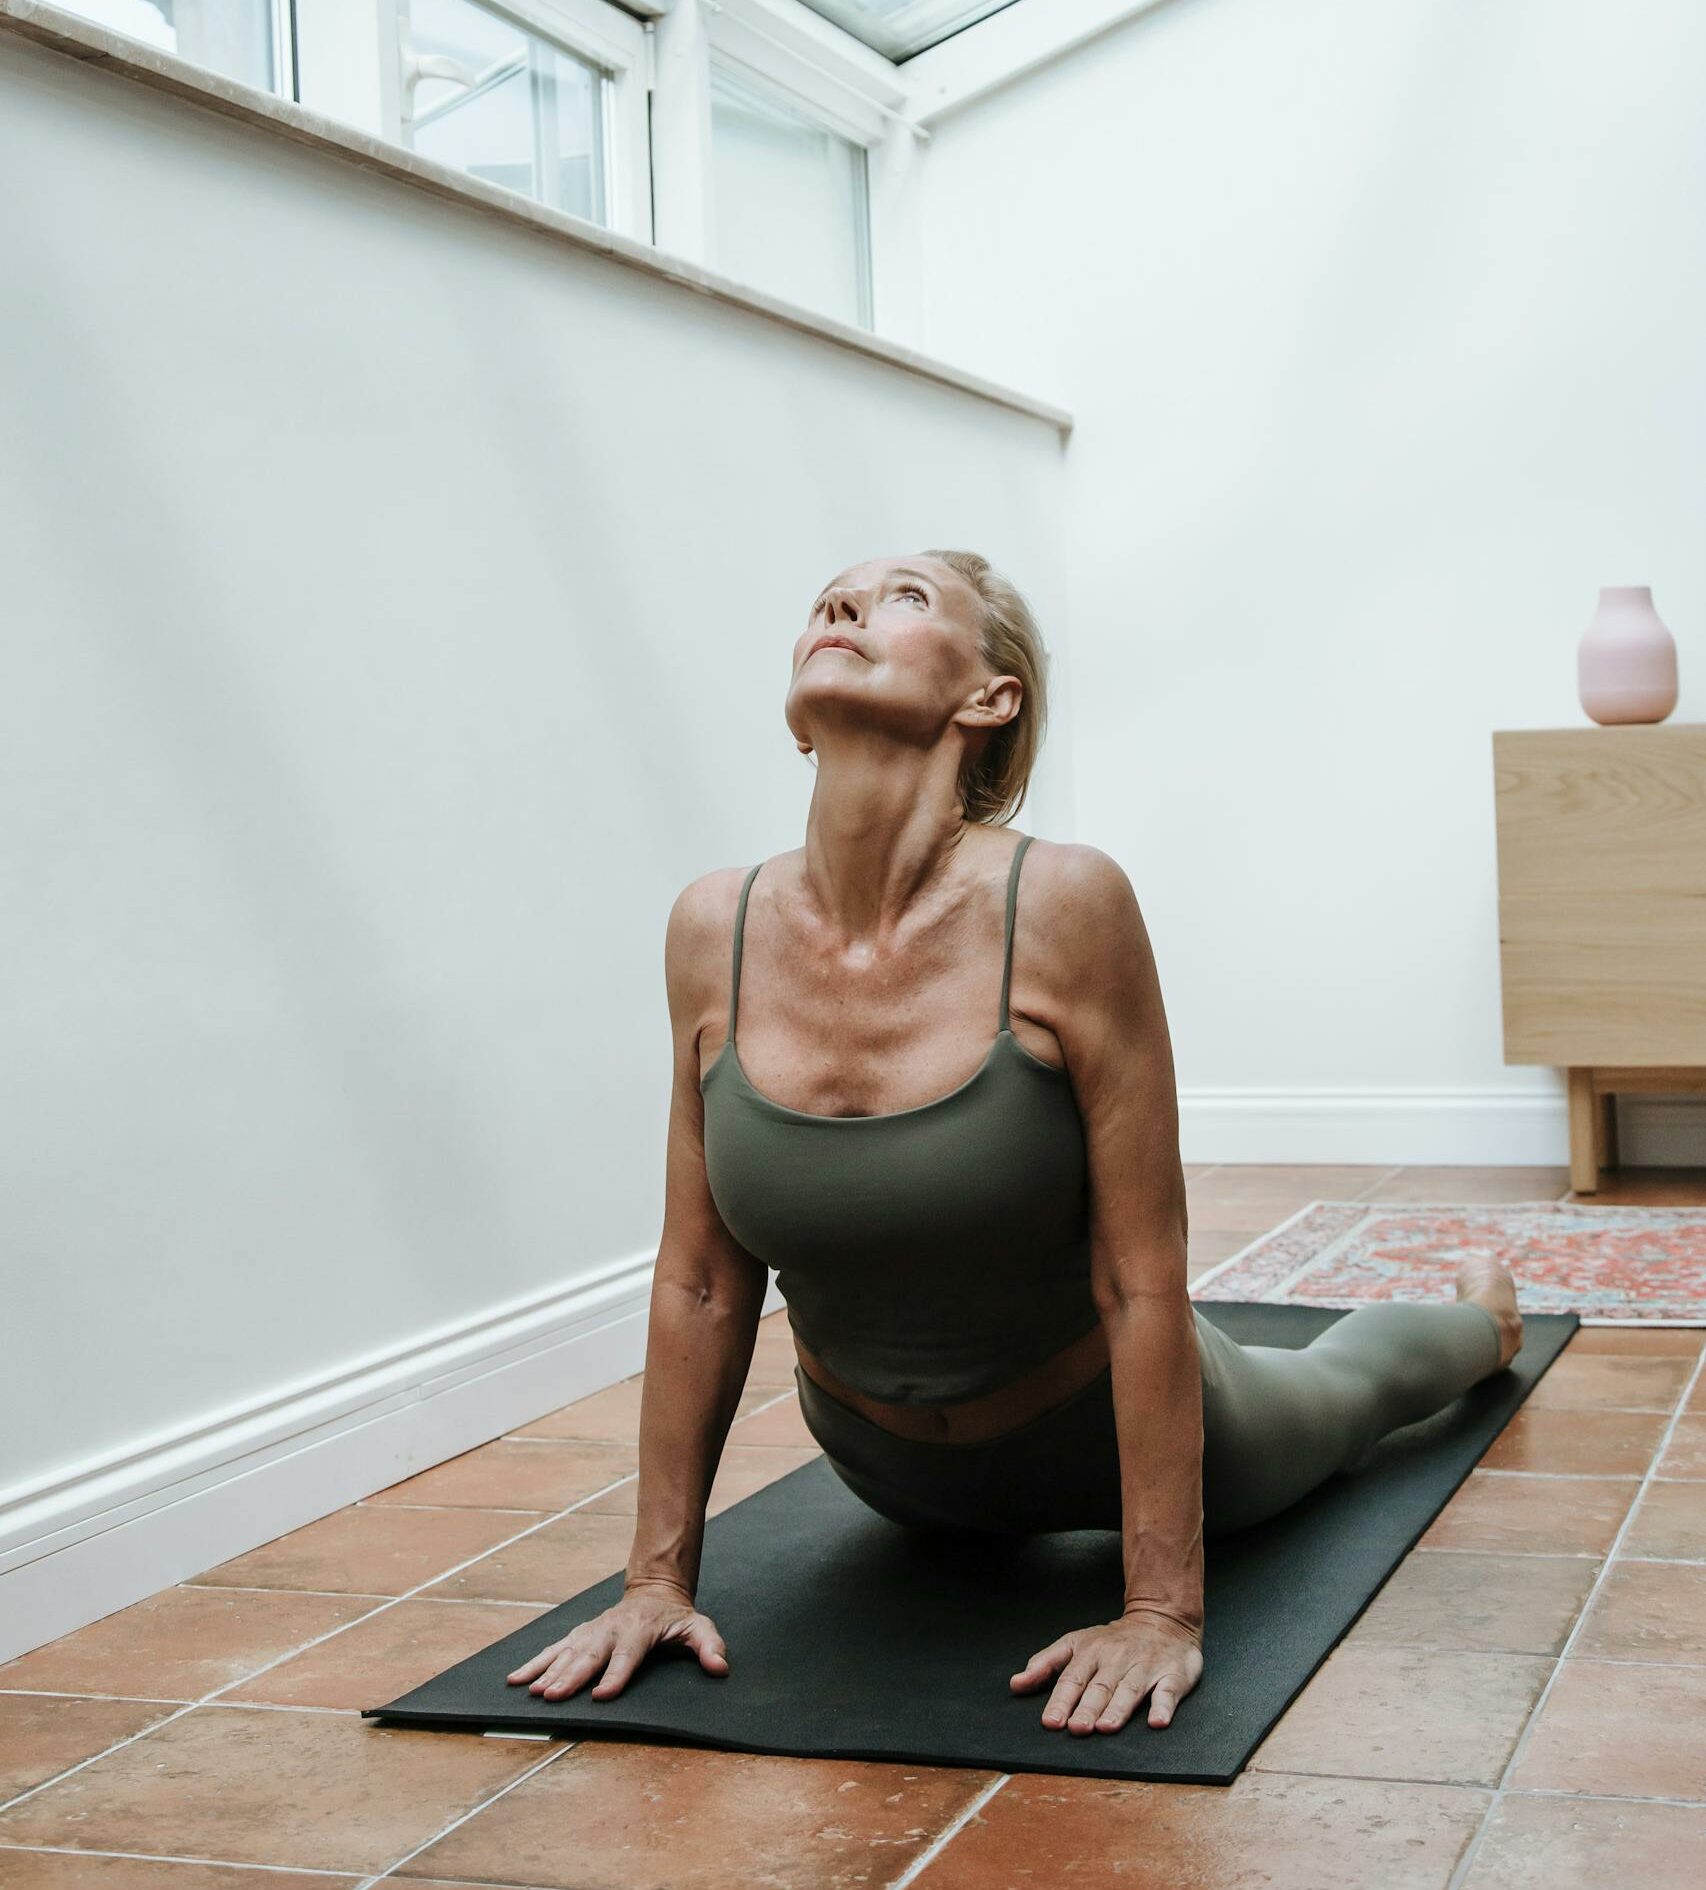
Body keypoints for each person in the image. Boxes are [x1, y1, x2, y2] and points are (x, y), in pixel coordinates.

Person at [507, 550, 1523, 1737]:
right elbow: (697, 1278)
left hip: (1088, 1434)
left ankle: (1479, 1319)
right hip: (880, 1467)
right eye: (826, 597)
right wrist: (653, 1584)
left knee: (1346, 1390)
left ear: (988, 700)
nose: (836, 606)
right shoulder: (708, 927)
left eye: (900, 595)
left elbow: (1137, 1277)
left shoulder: (1065, 906)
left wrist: (1160, 1612)